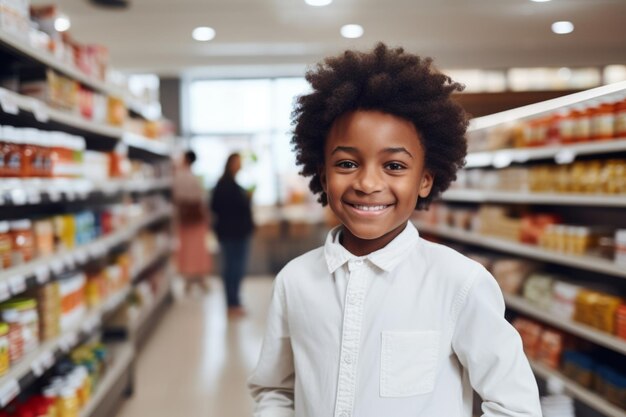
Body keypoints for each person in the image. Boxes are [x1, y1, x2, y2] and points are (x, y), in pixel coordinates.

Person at [248, 43, 541, 416]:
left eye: (395, 166)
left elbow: (516, 406)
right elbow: (275, 389)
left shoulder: (459, 282)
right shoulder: (295, 281)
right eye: (347, 163)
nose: (368, 183)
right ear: (323, 176)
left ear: (425, 180)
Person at [210, 153, 255, 317]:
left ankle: (234, 302)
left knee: (234, 268)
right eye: (237, 162)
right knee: (233, 269)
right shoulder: (225, 185)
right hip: (233, 233)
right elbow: (217, 207)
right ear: (230, 164)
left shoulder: (231, 184)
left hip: (235, 232)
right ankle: (232, 303)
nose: (240, 165)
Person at [173, 150, 211, 294]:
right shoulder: (194, 177)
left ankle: (188, 281)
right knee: (198, 249)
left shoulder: (179, 176)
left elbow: (177, 197)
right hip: (196, 219)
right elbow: (201, 198)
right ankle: (200, 279)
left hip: (185, 219)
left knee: (187, 249)